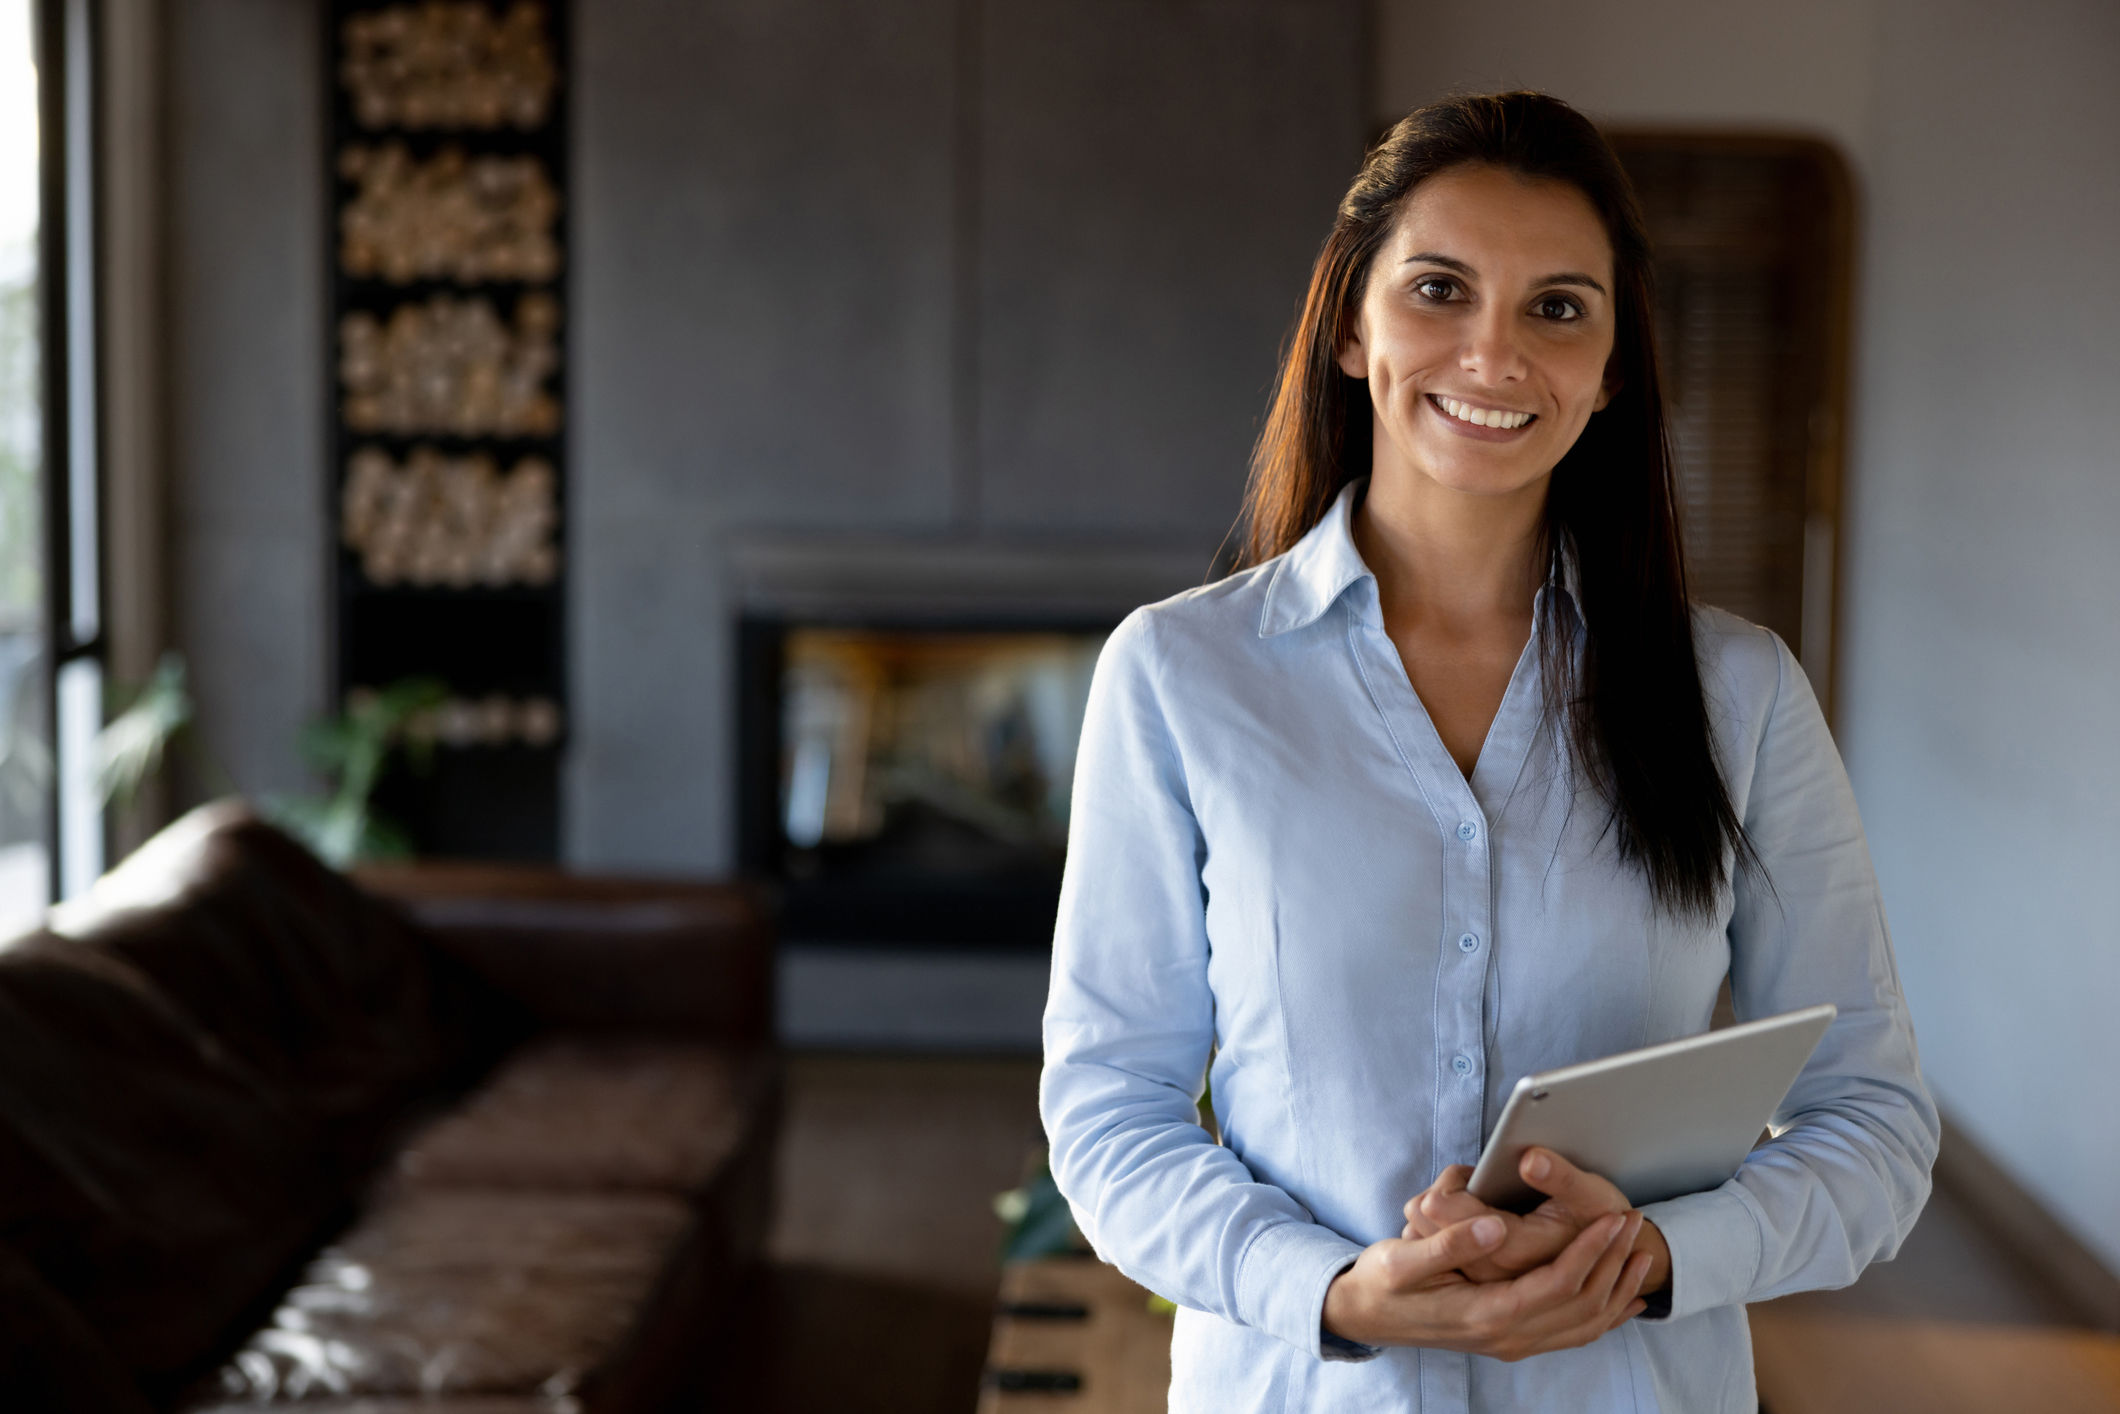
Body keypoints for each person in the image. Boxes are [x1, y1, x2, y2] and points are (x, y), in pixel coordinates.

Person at [1038, 91, 1937, 1414]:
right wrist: (1329, 1288)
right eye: (1441, 289)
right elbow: (1111, 1107)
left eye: (1557, 307)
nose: (1494, 354)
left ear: (1616, 362)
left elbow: (1876, 1124)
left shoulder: (1738, 695)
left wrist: (1658, 1256)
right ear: (1352, 324)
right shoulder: (1181, 679)